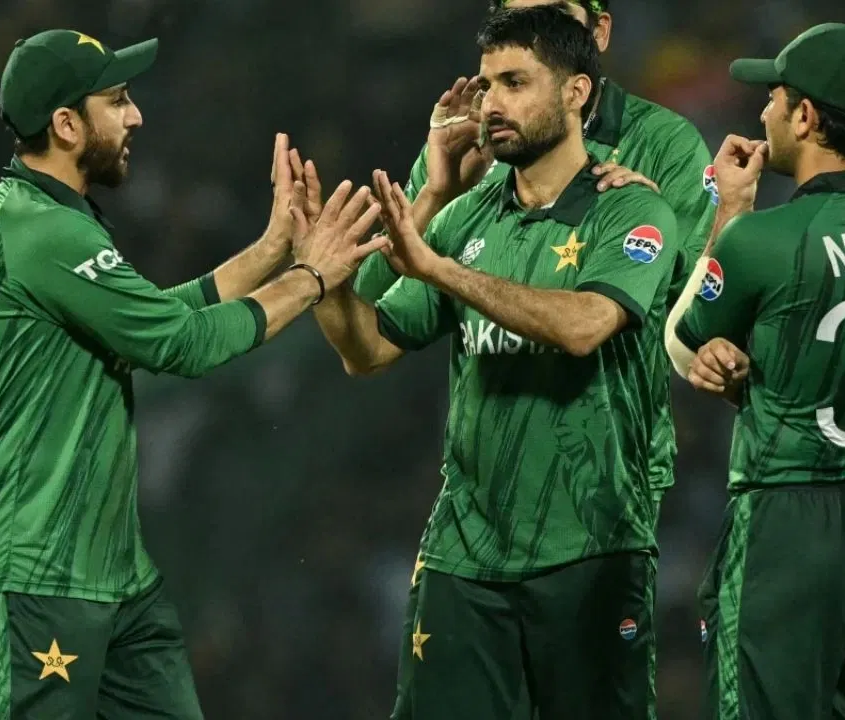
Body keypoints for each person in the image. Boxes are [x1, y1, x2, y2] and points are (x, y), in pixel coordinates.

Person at [0, 29, 384, 719]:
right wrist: (311, 278)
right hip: (36, 567)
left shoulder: (38, 215)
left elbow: (153, 319)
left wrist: (273, 249)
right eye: (117, 100)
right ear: (66, 124)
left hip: (109, 568)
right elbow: (182, 345)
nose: (136, 116)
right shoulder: (46, 231)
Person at [312, 6, 676, 717]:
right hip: (465, 555)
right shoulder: (465, 218)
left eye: (515, 82)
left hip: (591, 547)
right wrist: (322, 282)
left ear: (575, 92)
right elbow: (369, 350)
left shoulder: (630, 211)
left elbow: (585, 325)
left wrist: (442, 272)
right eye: (486, 85)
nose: (492, 104)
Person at [664, 23, 845, 719]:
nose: (763, 111)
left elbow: (684, 341)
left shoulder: (764, 239)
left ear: (806, 116)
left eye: (774, 97)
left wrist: (731, 209)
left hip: (793, 524)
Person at [353, 0, 715, 529]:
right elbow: (366, 304)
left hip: (604, 480)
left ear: (598, 33)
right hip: (482, 481)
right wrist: (435, 194)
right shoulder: (479, 138)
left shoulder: (664, 145)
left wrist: (638, 222)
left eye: (554, 14)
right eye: (515, 14)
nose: (531, 28)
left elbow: (689, 310)